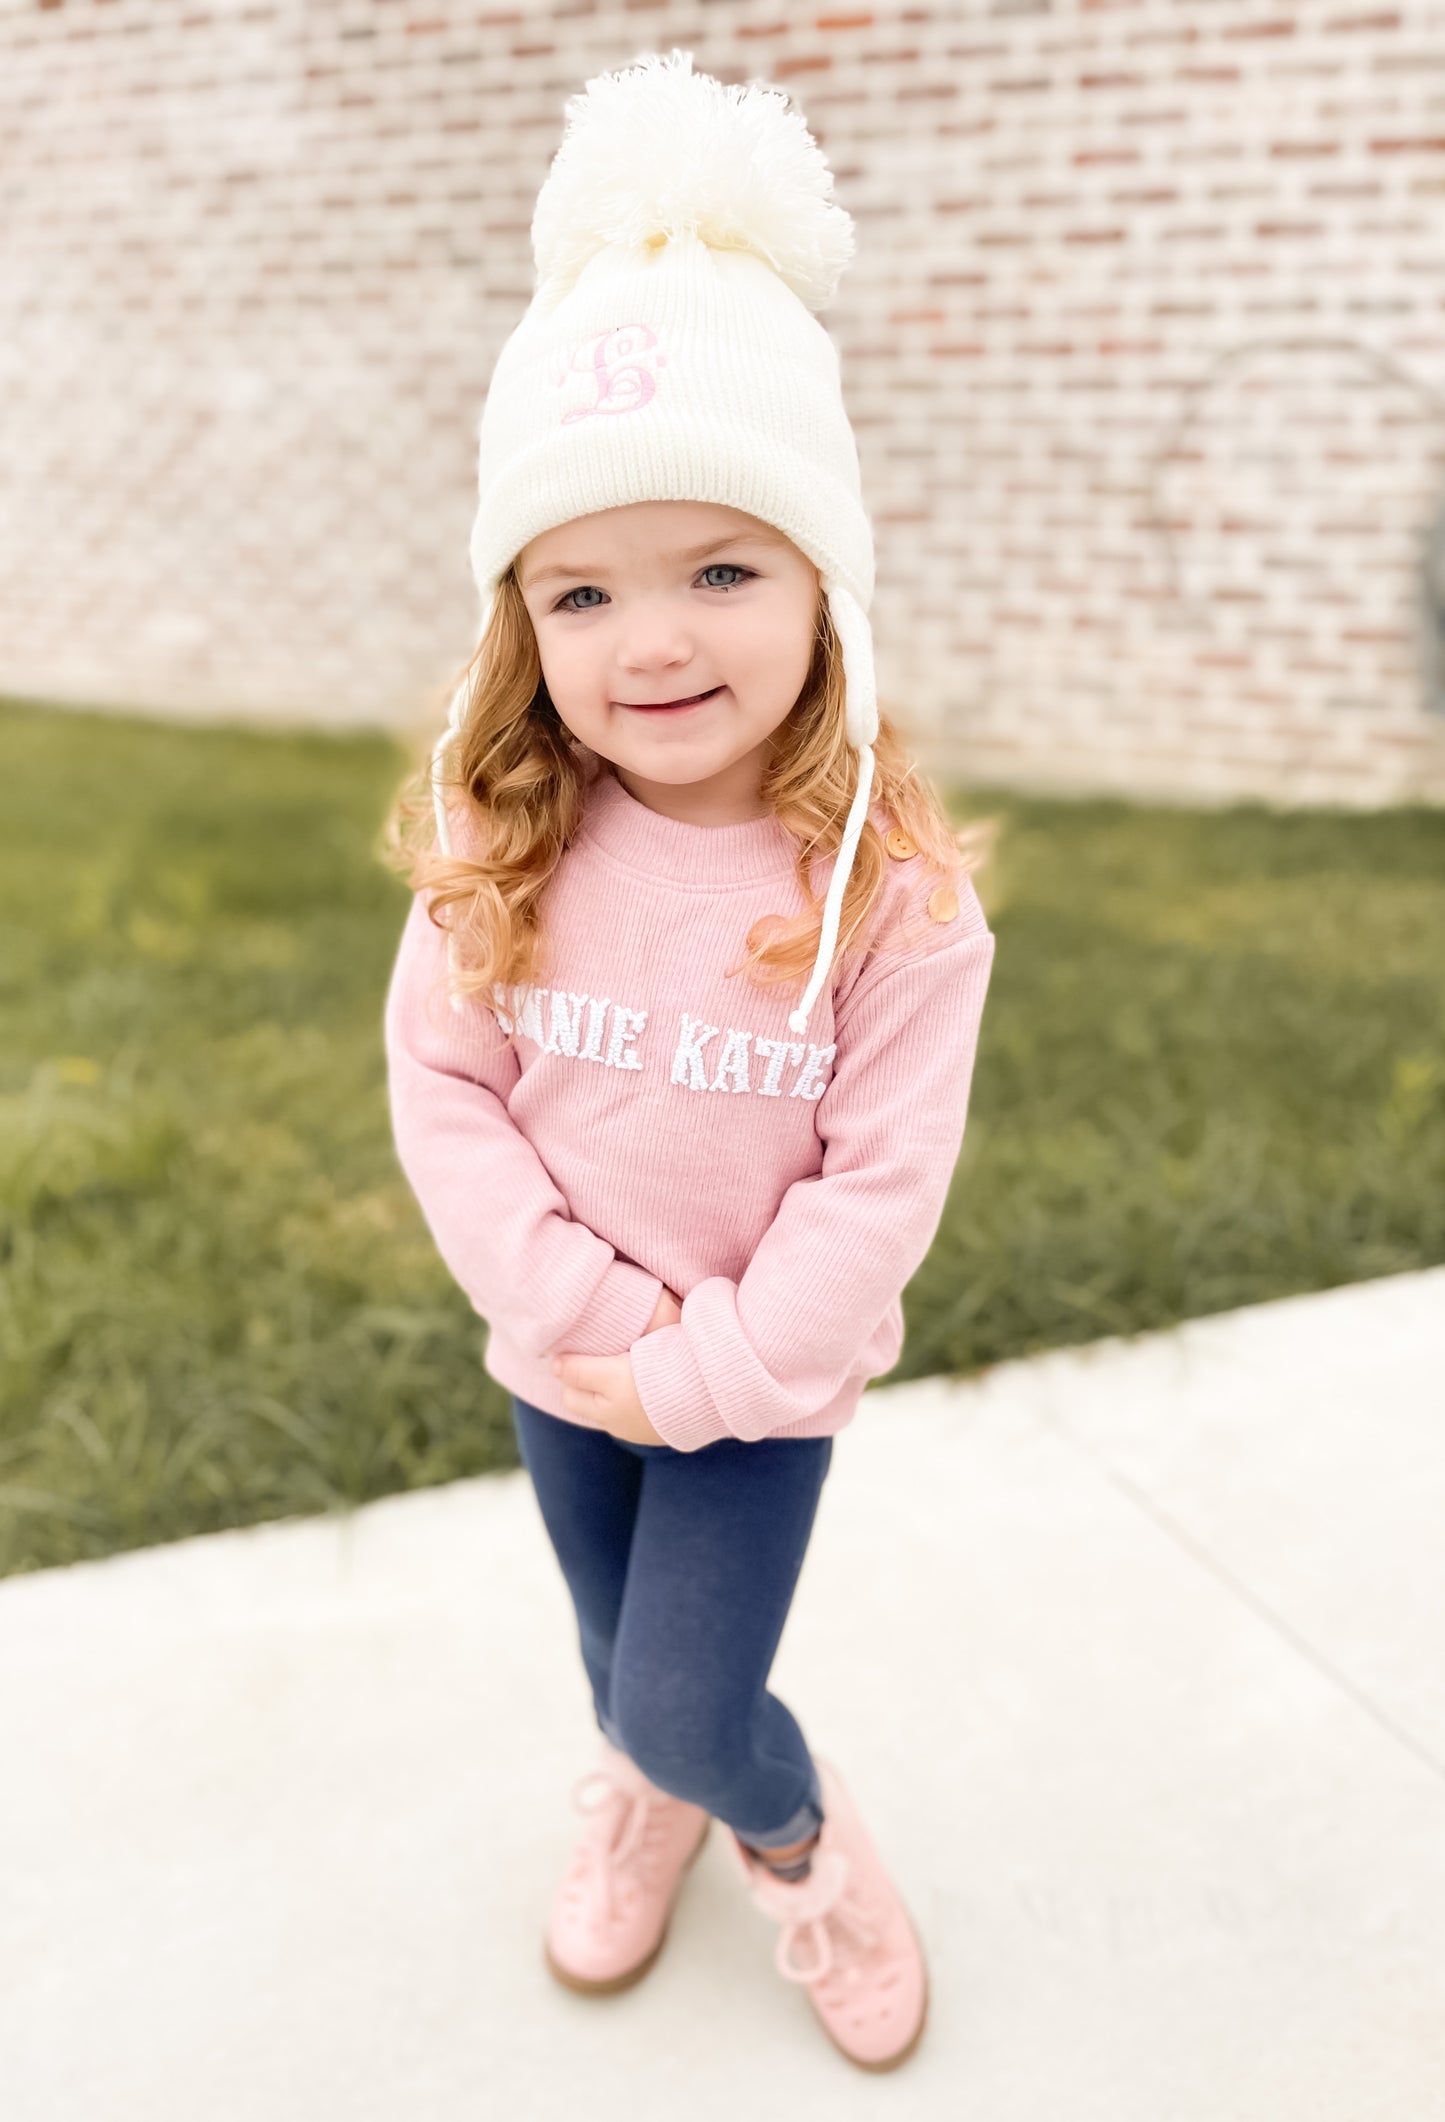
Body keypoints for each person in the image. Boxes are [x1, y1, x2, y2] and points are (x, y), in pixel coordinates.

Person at [380, 50, 995, 2074]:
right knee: (606, 1644)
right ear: (521, 617)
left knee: (678, 1688)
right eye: (584, 586)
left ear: (829, 583)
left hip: (755, 1388)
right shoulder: (509, 838)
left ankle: (790, 1835)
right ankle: (662, 1770)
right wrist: (585, 1319)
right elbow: (448, 1089)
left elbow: (875, 1188)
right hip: (561, 1354)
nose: (652, 637)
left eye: (722, 566)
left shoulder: (890, 900)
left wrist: (701, 1365)